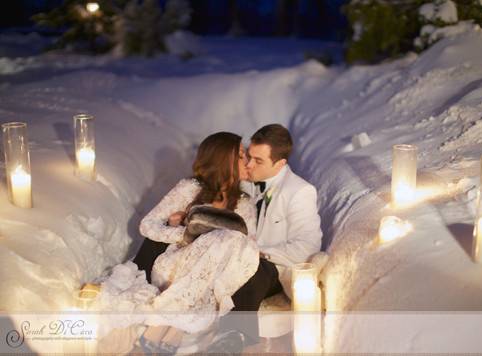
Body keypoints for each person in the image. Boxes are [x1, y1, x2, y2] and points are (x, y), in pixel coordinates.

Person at [87, 132, 260, 353]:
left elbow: (247, 244)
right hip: (175, 263)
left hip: (209, 274)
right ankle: (165, 329)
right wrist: (184, 234)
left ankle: (168, 332)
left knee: (236, 241)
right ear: (223, 159)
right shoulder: (190, 188)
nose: (247, 161)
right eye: (241, 155)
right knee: (227, 239)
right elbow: (147, 225)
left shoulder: (245, 204)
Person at [215, 124, 322, 350]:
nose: (249, 165)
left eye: (258, 161)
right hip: (236, 258)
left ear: (280, 163)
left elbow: (308, 246)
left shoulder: (300, 191)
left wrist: (259, 252)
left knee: (255, 271)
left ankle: (232, 339)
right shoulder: (246, 181)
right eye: (249, 157)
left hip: (272, 267)